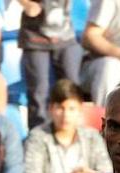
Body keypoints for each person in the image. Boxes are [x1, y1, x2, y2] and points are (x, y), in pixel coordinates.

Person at [21, 78, 110, 173]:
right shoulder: (38, 136)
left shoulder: (92, 137)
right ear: (50, 109)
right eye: (60, 108)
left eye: (71, 109)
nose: (65, 115)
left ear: (80, 110)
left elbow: (107, 171)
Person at [18, 0, 83, 129]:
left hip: (65, 37)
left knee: (72, 87)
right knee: (39, 91)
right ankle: (39, 134)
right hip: (35, 37)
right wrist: (26, 3)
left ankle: (75, 130)